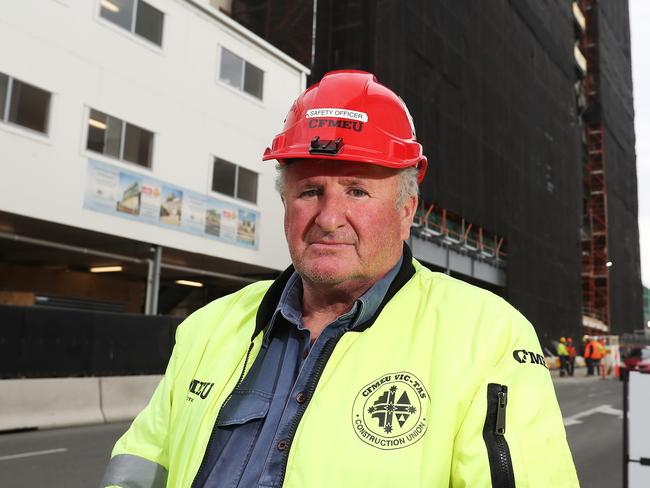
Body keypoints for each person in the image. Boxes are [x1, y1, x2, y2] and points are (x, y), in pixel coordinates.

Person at [100, 70, 578, 487]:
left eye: (357, 190)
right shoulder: (207, 329)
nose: (329, 218)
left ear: (406, 207)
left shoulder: (485, 335)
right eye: (310, 190)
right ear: (285, 202)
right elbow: (140, 469)